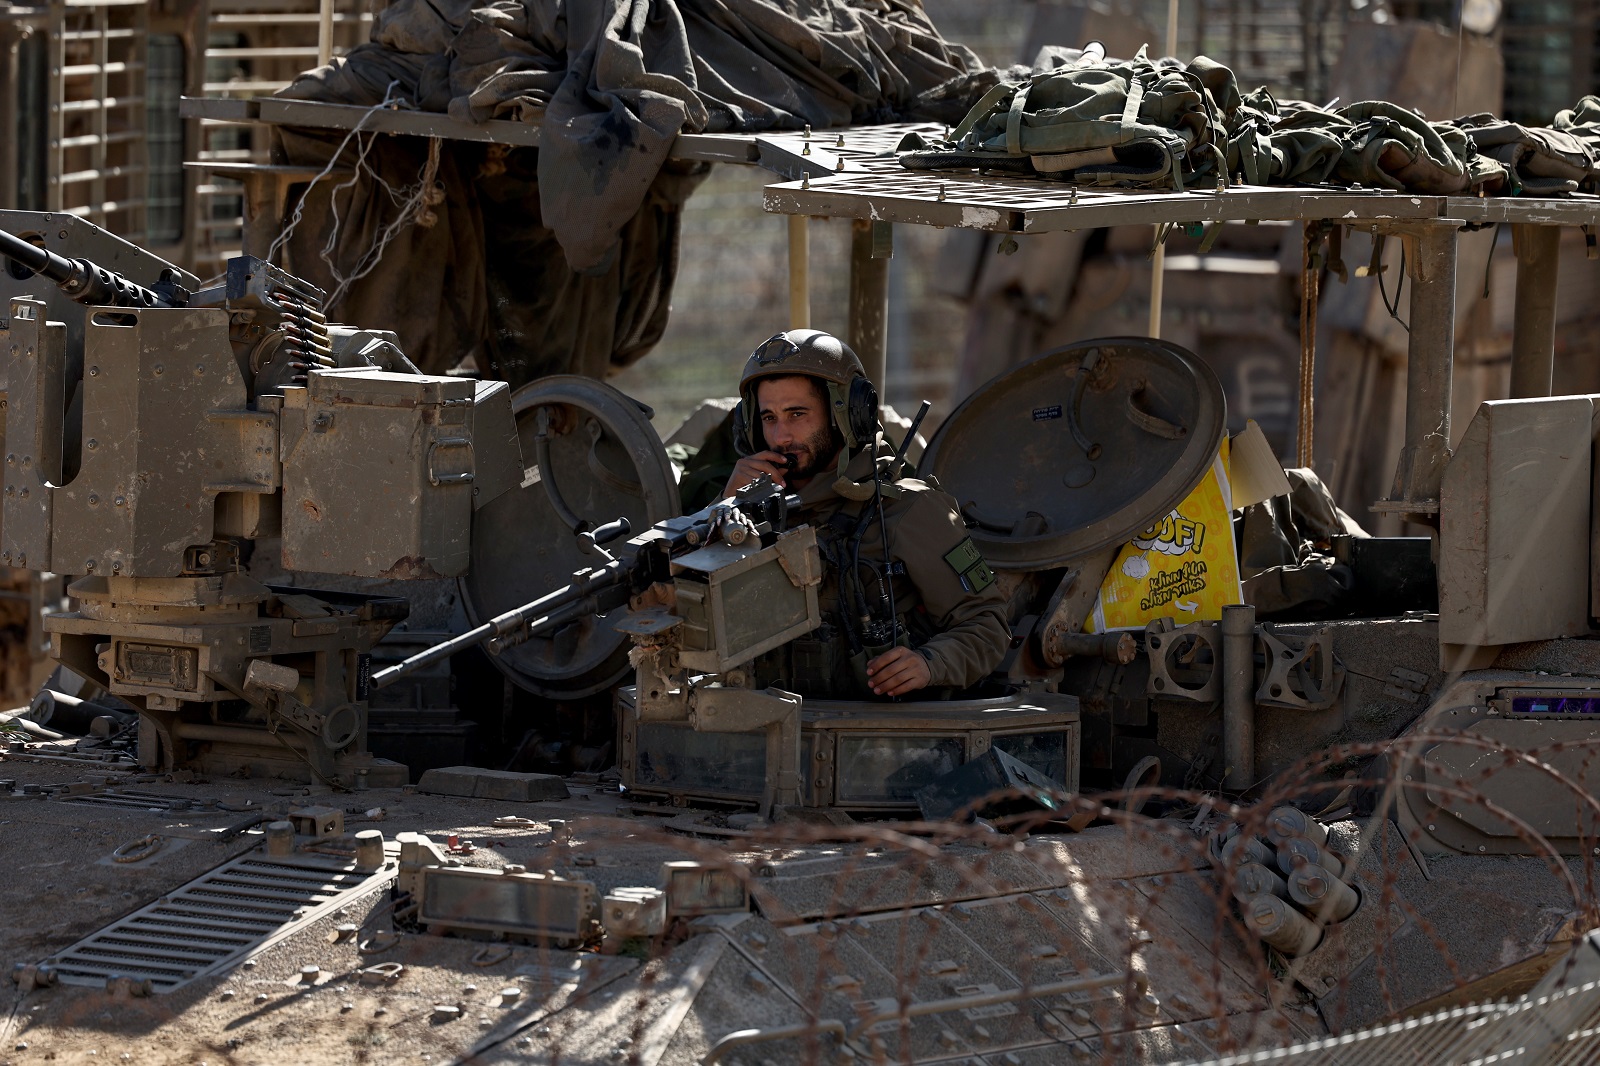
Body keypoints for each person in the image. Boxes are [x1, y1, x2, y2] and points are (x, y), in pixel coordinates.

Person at [723, 329, 1010, 700]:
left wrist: (928, 664)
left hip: (883, 738)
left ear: (848, 415)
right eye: (768, 418)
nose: (781, 436)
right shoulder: (744, 514)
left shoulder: (911, 511)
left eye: (797, 414)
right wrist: (725, 508)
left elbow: (987, 627)